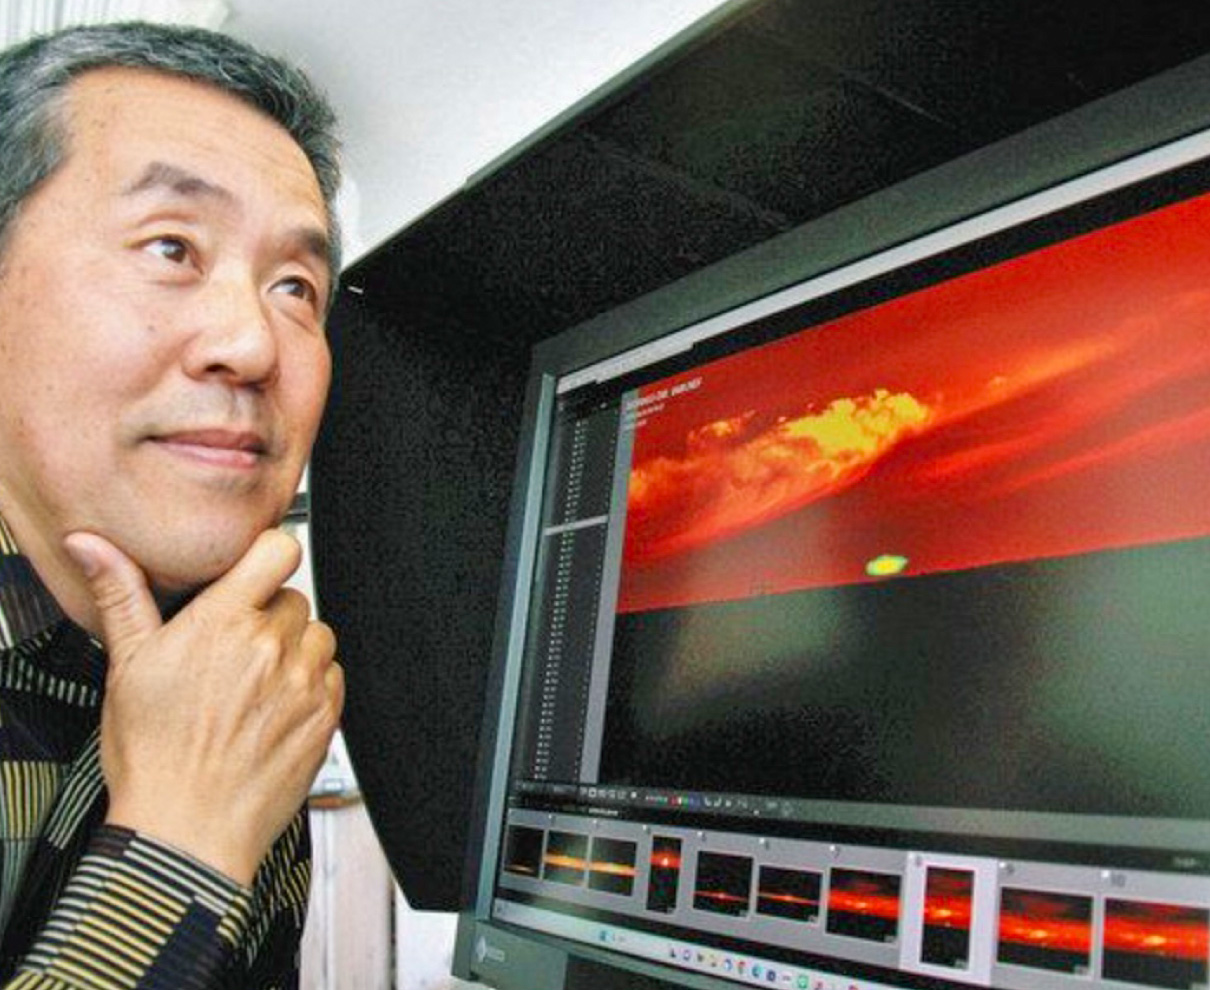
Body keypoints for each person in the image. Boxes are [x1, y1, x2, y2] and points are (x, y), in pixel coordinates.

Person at [0, 20, 345, 989]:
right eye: (171, 247)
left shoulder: (243, 673)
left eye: (294, 287)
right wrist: (181, 841)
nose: (252, 344)